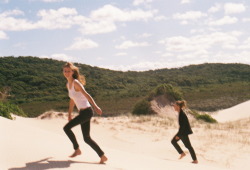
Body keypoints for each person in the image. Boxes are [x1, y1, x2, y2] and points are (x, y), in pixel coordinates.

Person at [62, 62, 108, 164]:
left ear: (73, 72)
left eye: (68, 71)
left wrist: (96, 106)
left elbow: (86, 94)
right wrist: (69, 114)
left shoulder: (76, 83)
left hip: (87, 111)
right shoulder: (68, 85)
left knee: (66, 128)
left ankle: (77, 149)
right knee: (86, 138)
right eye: (65, 71)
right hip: (82, 112)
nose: (66, 73)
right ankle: (102, 156)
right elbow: (72, 100)